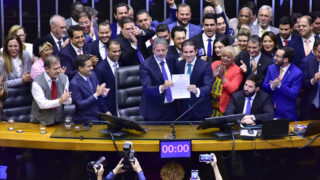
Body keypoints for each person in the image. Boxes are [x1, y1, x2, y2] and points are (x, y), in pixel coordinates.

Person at [139, 37, 178, 121]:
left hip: (172, 108)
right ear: (153, 50)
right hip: (154, 110)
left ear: (167, 49)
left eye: (163, 50)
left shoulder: (172, 60)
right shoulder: (146, 65)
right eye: (158, 50)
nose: (161, 53)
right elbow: (147, 88)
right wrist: (163, 87)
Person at [175, 40, 213, 121]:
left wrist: (197, 90)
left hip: (200, 111)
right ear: (182, 52)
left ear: (196, 51)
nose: (188, 55)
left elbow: (208, 87)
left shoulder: (205, 65)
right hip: (183, 111)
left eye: (191, 52)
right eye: (185, 52)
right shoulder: (178, 65)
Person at [262, 47, 303, 121]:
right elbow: (264, 86)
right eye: (275, 55)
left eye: (277, 56)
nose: (274, 57)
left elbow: (293, 94)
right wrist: (272, 86)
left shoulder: (297, 73)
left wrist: (280, 85)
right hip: (270, 111)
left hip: (287, 113)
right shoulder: (271, 68)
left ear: (286, 59)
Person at [30, 55, 72, 126]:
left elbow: (67, 100)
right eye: (55, 69)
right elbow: (42, 104)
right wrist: (60, 100)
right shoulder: (36, 83)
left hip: (59, 121)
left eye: (59, 67)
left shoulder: (65, 78)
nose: (59, 71)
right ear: (47, 69)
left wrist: (67, 99)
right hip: (40, 122)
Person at [70, 55, 109, 123]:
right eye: (89, 66)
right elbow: (80, 104)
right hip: (84, 121)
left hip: (98, 117)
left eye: (91, 65)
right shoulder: (74, 83)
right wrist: (96, 94)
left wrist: (102, 94)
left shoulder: (93, 75)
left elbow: (98, 95)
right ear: (80, 68)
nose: (92, 68)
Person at [211, 46, 243, 116]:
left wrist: (222, 77)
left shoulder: (237, 70)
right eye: (223, 56)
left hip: (224, 107)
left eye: (228, 57)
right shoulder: (215, 64)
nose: (225, 58)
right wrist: (213, 76)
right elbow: (207, 83)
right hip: (210, 105)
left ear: (233, 58)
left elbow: (232, 89)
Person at [94, 40, 121, 116]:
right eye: (114, 51)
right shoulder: (100, 69)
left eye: (119, 51)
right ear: (107, 51)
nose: (117, 54)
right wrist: (105, 111)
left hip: (122, 108)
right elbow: (99, 93)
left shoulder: (122, 63)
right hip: (109, 110)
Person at [300, 39, 320, 120]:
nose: (319, 54)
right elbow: (301, 83)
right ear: (315, 50)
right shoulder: (307, 61)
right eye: (318, 51)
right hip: (310, 106)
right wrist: (313, 80)